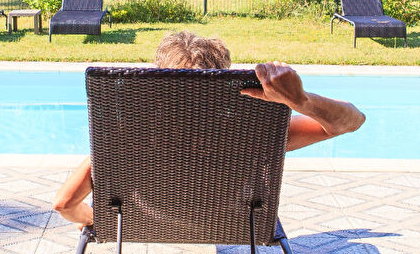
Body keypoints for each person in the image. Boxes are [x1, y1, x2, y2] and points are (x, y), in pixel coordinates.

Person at [50, 30, 366, 226]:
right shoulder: (253, 132)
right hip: (232, 223)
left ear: (157, 83)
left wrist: (96, 221)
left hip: (143, 223)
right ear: (223, 84)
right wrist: (302, 100)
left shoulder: (129, 134)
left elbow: (64, 204)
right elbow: (352, 121)